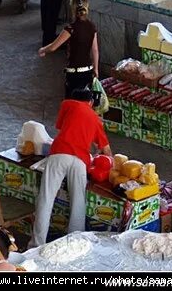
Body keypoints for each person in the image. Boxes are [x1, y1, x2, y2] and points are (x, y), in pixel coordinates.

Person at [30, 87, 112, 248]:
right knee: (78, 202)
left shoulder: (67, 104)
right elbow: (107, 150)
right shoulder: (96, 119)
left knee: (46, 199)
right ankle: (75, 245)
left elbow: (61, 127)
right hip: (80, 161)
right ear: (90, 102)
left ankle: (36, 244)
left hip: (59, 154)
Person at [39, 0, 98, 97]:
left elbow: (53, 47)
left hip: (74, 73)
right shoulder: (92, 26)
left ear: (72, 9)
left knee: (72, 102)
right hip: (88, 71)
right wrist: (96, 69)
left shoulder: (71, 28)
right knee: (85, 102)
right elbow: (95, 50)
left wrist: (43, 50)